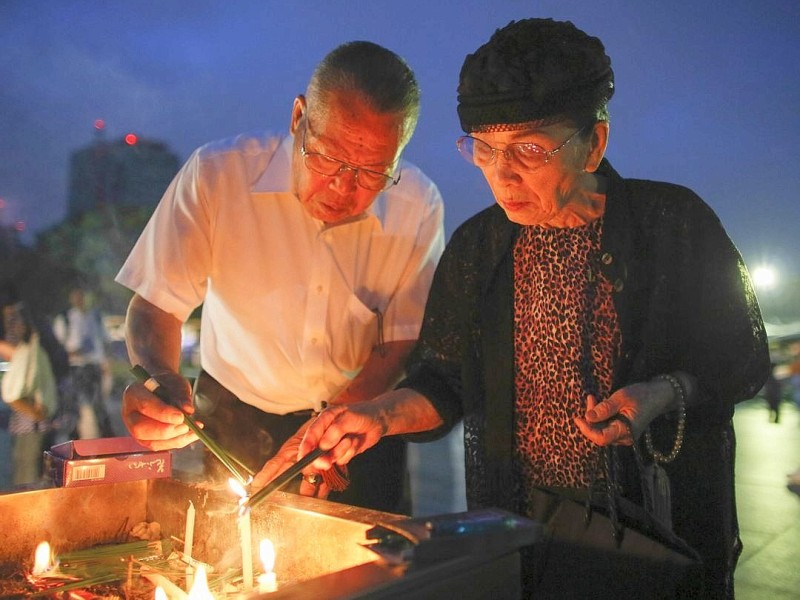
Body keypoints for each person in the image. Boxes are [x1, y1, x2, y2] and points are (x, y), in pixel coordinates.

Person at [291, 18, 770, 598]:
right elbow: (444, 383)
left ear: (594, 142)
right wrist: (380, 415)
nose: (502, 174)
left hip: (650, 531)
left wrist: (661, 393)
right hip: (517, 530)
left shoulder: (671, 223)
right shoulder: (478, 248)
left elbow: (739, 360)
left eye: (530, 150)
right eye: (485, 150)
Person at [116, 41, 445, 513]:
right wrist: (160, 377)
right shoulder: (217, 174)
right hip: (234, 419)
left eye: (372, 173)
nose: (343, 188)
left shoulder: (419, 205)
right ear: (298, 118)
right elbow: (156, 304)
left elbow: (399, 342)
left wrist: (333, 426)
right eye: (328, 158)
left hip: (359, 423)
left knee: (368, 574)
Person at [0, 301, 57, 486]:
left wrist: (32, 412)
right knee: (24, 468)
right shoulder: (29, 350)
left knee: (26, 475)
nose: (12, 325)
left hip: (32, 423)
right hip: (28, 423)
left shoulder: (32, 352)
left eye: (15, 320)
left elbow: (12, 395)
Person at [52, 285, 115, 441]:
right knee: (73, 405)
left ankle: (106, 439)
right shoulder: (65, 318)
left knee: (98, 404)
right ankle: (73, 440)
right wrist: (73, 352)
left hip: (94, 365)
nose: (80, 299)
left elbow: (105, 342)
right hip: (75, 366)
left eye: (82, 295)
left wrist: (107, 364)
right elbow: (56, 347)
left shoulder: (96, 317)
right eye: (76, 295)